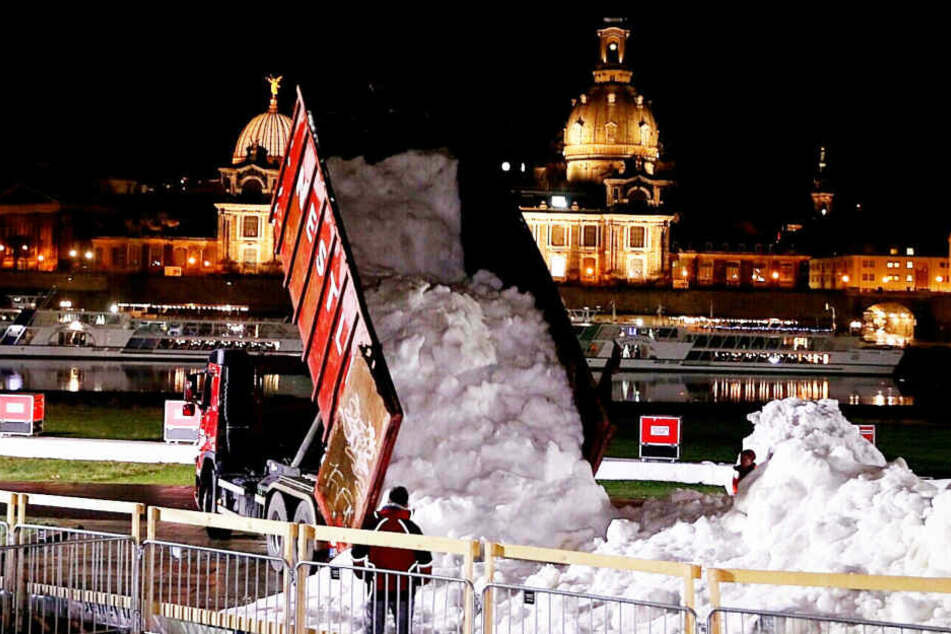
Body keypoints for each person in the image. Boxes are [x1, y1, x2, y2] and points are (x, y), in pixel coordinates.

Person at [352, 486, 432, 634]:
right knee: (403, 629)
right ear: (406, 504)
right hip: (404, 590)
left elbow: (356, 554)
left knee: (375, 629)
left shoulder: (373, 524)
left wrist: (364, 575)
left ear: (388, 501)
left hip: (377, 588)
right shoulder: (412, 528)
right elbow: (425, 561)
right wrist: (419, 580)